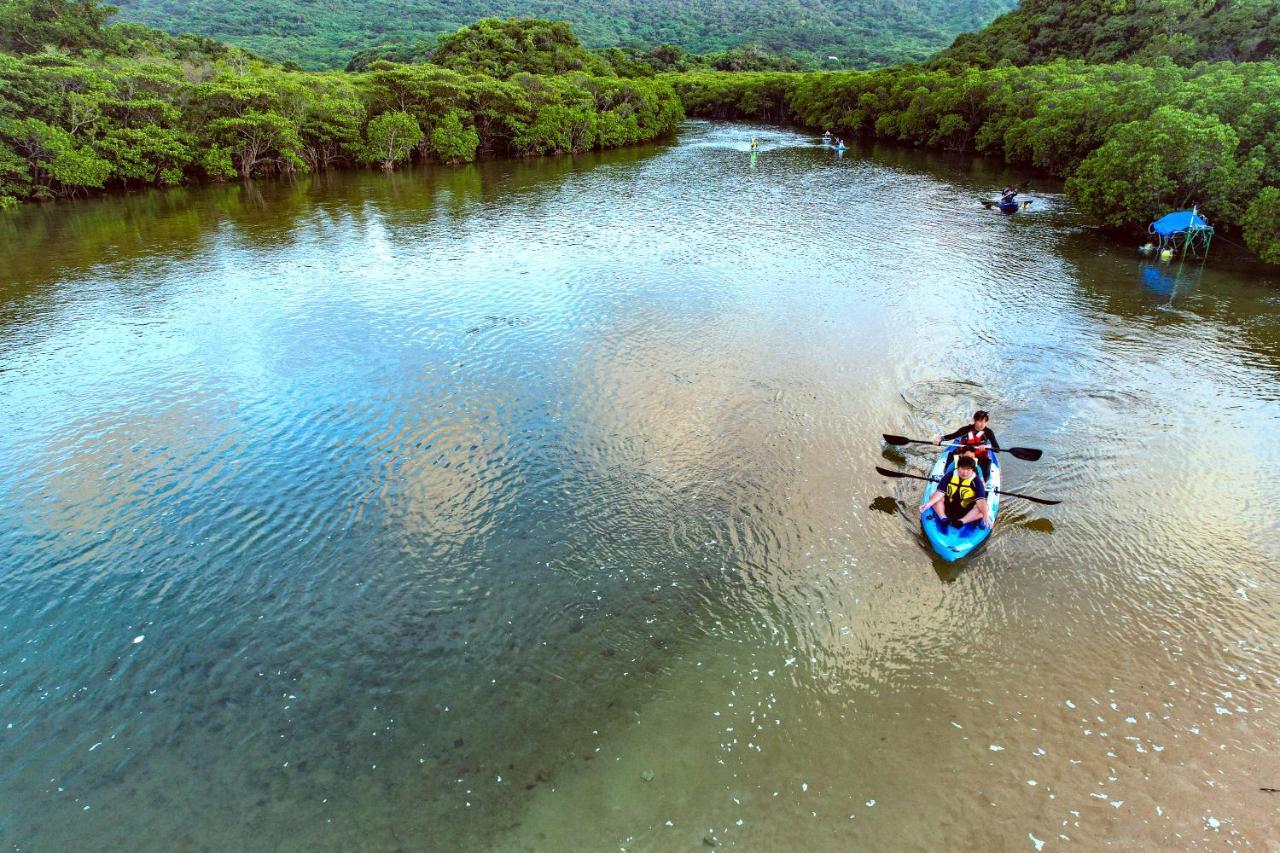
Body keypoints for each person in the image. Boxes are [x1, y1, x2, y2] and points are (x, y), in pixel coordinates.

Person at [921, 455, 990, 528]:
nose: (965, 472)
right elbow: (940, 493)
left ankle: (961, 521)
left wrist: (985, 515)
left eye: (968, 469)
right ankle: (943, 518)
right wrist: (928, 504)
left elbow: (981, 501)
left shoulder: (977, 481)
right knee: (933, 496)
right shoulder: (949, 475)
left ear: (972, 470)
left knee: (985, 508)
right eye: (963, 468)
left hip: (966, 509)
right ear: (958, 467)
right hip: (948, 505)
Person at [935, 410, 1000, 479]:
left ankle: (981, 482)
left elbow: (997, 449)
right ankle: (946, 477)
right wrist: (940, 439)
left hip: (979, 457)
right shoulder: (966, 429)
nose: (982, 424)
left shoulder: (988, 432)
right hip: (963, 454)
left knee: (985, 472)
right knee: (951, 460)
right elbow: (952, 436)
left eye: (985, 422)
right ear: (975, 421)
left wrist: (987, 446)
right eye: (980, 421)